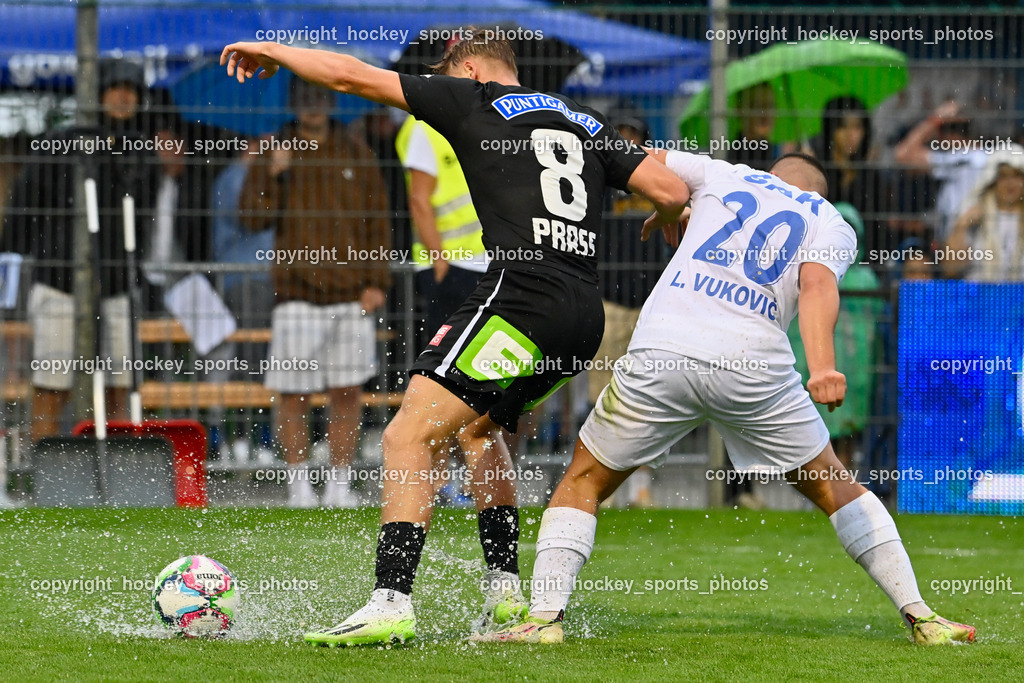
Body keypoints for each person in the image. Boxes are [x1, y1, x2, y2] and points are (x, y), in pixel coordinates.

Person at [221, 28, 689, 646]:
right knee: (479, 429)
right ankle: (503, 592)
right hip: (582, 313)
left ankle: (390, 602)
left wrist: (276, 51)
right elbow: (673, 190)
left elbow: (347, 74)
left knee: (407, 432)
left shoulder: (473, 98)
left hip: (520, 298)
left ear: (468, 68)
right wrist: (667, 214)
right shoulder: (582, 118)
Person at [477, 152, 975, 646]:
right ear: (818, 192)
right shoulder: (829, 219)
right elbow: (817, 284)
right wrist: (822, 367)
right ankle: (922, 617)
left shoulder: (725, 173)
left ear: (770, 175)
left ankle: (543, 619)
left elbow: (636, 160)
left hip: (667, 350)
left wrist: (672, 208)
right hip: (753, 364)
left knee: (583, 480)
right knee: (837, 488)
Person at [238, 78, 392, 508]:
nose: (311, 106)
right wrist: (272, 173)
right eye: (303, 99)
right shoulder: (274, 150)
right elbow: (251, 218)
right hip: (296, 292)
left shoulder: (357, 152)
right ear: (293, 104)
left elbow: (378, 220)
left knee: (348, 391)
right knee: (292, 393)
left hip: (351, 293)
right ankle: (298, 484)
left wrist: (377, 281)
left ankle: (340, 484)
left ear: (330, 102)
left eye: (318, 98)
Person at [4, 59, 154, 442]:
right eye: (115, 87)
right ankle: (45, 477)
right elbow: (22, 213)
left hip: (118, 285)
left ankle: (123, 474)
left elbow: (144, 220)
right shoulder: (58, 145)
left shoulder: (139, 151)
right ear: (97, 93)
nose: (123, 96)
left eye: (131, 90)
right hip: (60, 283)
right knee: (53, 385)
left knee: (121, 385)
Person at [944, 149, 1024, 281]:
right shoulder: (974, 214)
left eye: (1016, 175)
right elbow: (950, 269)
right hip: (980, 297)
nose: (1010, 183)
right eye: (1003, 176)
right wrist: (962, 225)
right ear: (992, 179)